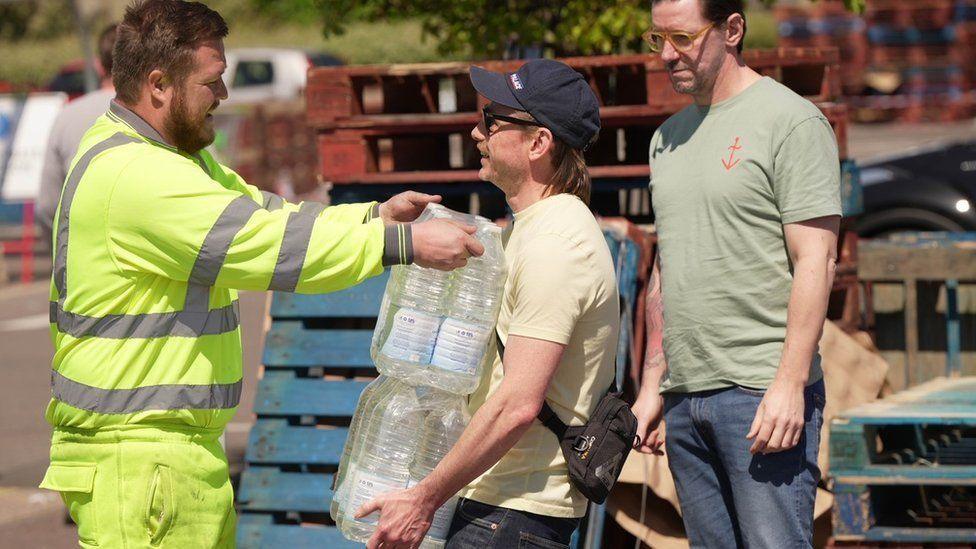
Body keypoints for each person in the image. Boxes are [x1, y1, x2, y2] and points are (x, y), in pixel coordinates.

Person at [37, 1, 482, 547]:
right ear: (159, 85)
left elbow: (267, 214)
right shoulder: (141, 176)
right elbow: (268, 245)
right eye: (212, 81)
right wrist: (401, 245)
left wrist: (374, 216)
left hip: (160, 458)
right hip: (143, 463)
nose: (223, 96)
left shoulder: (166, 159)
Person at [355, 59, 621, 549]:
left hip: (513, 517)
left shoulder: (558, 243)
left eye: (491, 121)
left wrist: (423, 498)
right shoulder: (530, 228)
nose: (476, 133)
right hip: (493, 508)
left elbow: (518, 404)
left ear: (539, 143)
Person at [630, 0, 841, 547]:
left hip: (759, 393)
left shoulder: (791, 121)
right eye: (658, 40)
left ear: (732, 29)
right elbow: (667, 266)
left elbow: (816, 260)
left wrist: (790, 384)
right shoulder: (667, 139)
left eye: (682, 38)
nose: (667, 55)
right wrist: (655, 385)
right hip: (686, 395)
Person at [37, 24, 119, 250]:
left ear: (98, 66)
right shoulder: (158, 112)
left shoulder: (67, 115)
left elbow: (47, 205)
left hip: (79, 256)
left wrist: (61, 253)